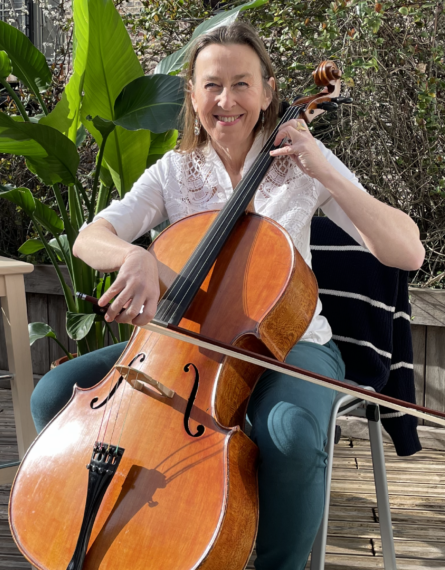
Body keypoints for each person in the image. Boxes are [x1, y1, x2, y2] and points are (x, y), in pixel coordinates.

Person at [31, 22, 424, 570]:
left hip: (288, 344)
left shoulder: (303, 166)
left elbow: (408, 252)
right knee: (53, 395)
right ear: (192, 96)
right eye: (211, 85)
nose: (226, 100)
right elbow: (89, 237)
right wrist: (134, 255)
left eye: (241, 84)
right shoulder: (175, 171)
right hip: (184, 344)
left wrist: (328, 172)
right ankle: (132, 543)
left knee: (291, 435)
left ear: (267, 93)